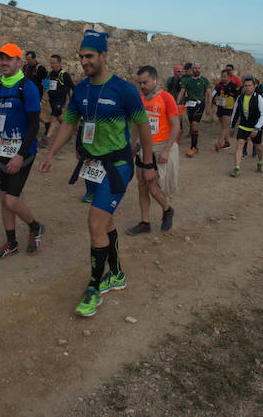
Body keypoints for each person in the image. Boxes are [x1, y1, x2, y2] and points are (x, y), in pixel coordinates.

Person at [39, 29, 156, 318]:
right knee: (106, 220)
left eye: (89, 56)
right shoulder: (81, 89)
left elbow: (143, 127)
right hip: (93, 166)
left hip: (117, 166)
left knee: (94, 224)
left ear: (104, 56)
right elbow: (68, 123)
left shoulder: (124, 90)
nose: (84, 61)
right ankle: (115, 273)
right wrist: (52, 152)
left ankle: (93, 286)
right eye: (81, 57)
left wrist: (148, 165)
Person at [0, 43, 46, 258]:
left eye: (8, 58)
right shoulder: (0, 86)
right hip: (3, 149)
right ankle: (11, 244)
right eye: (1, 58)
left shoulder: (27, 87)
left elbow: (34, 125)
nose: (4, 62)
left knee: (11, 200)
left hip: (24, 152)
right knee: (4, 199)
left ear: (18, 62)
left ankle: (35, 226)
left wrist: (20, 155)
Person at [127, 65, 180, 235]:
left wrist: (166, 150)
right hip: (143, 147)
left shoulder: (167, 98)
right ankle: (145, 222)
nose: (142, 86)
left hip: (161, 146)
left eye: (145, 82)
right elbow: (136, 122)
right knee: (141, 184)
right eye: (140, 83)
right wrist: (133, 143)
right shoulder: (139, 99)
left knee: (153, 185)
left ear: (155, 80)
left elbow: (176, 126)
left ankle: (167, 209)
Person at [230, 76, 263, 176]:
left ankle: (260, 162)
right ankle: (237, 168)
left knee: (258, 147)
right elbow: (235, 112)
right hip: (243, 125)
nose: (247, 88)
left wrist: (257, 127)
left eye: (250, 86)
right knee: (239, 145)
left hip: (255, 127)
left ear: (254, 86)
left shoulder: (258, 98)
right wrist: (232, 126)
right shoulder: (240, 98)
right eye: (245, 86)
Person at [176, 62, 211, 156]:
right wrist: (177, 104)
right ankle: (195, 146)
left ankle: (193, 147)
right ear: (192, 69)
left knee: (195, 125)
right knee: (192, 125)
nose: (197, 70)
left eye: (199, 68)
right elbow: (182, 92)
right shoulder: (187, 81)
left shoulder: (204, 80)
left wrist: (208, 107)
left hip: (200, 105)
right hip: (190, 105)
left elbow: (209, 93)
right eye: (195, 68)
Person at [43, 54, 75, 145]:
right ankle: (69, 131)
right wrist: (45, 84)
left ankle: (47, 137)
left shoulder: (64, 74)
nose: (52, 65)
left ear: (59, 63)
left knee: (54, 116)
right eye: (51, 63)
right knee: (58, 116)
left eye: (54, 63)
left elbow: (73, 87)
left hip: (60, 99)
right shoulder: (50, 74)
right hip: (52, 100)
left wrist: (76, 99)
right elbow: (46, 85)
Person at [211, 69, 239, 152]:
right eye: (222, 76)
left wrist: (237, 110)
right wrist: (213, 102)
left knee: (224, 127)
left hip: (229, 109)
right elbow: (213, 94)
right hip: (220, 108)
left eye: (224, 76)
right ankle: (227, 142)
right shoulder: (218, 86)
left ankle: (219, 143)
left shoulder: (234, 87)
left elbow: (238, 98)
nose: (223, 78)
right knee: (224, 126)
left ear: (229, 77)